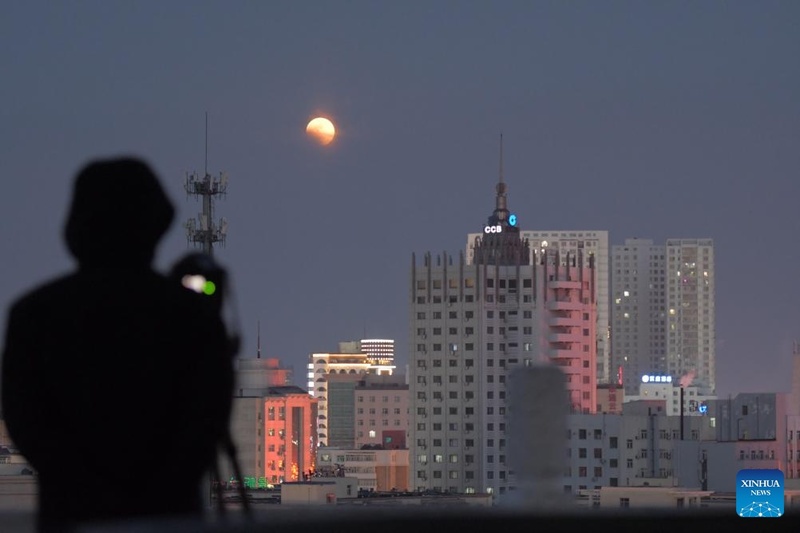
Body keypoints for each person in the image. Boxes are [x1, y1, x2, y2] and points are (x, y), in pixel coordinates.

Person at [0, 157, 235, 532]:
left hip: (71, 512)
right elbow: (207, 417)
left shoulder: (35, 313)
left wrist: (83, 483)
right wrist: (157, 485)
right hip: (169, 512)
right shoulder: (187, 314)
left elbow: (26, 419)